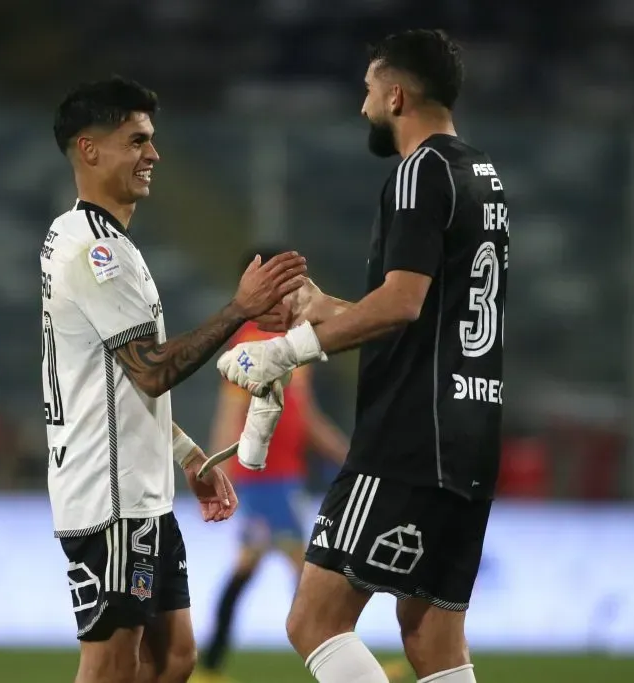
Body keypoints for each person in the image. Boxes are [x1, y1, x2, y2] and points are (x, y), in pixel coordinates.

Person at [217, 30, 508, 683]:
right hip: (470, 433)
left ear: (396, 95)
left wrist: (285, 350)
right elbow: (430, 314)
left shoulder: (418, 173)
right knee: (432, 635)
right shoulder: (480, 174)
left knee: (314, 620)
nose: (363, 107)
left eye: (369, 91)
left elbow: (402, 303)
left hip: (408, 436)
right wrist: (324, 306)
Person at [44, 77, 307, 683]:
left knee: (173, 658)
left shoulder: (104, 243)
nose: (153, 154)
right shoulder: (94, 253)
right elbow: (152, 370)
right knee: (113, 662)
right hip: (109, 498)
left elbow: (120, 379)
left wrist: (189, 454)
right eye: (136, 140)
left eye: (152, 140)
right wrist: (238, 309)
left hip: (140, 490)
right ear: (90, 149)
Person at [195, 247, 409, 683]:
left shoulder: (291, 341)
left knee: (249, 568)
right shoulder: (254, 342)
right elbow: (232, 412)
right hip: (263, 480)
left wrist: (345, 452)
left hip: (285, 475)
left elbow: (303, 416)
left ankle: (210, 668)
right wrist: (215, 470)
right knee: (306, 570)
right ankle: (341, 661)